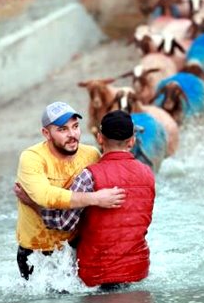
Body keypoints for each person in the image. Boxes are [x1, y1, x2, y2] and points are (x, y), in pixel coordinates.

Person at [38, 110, 155, 288]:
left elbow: (64, 224)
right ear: (132, 141)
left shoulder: (88, 175)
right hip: (138, 270)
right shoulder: (148, 174)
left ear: (99, 138)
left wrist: (34, 203)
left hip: (96, 274)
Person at [13, 101, 125, 280]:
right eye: (63, 129)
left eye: (75, 126)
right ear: (46, 133)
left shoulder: (91, 155)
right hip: (36, 250)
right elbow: (45, 196)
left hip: (76, 246)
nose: (72, 135)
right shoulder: (32, 158)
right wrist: (94, 198)